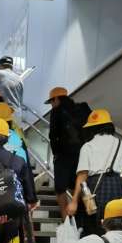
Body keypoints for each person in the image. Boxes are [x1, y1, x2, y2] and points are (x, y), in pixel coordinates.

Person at [67, 109, 122, 236]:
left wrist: (74, 201)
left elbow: (82, 175)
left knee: (95, 227)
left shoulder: (88, 146)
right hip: (118, 187)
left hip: (95, 189)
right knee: (118, 225)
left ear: (92, 128)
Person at [46, 87, 91, 220]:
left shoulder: (56, 111)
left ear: (56, 99)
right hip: (82, 154)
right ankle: (88, 216)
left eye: (51, 101)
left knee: (60, 189)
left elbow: (52, 136)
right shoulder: (83, 108)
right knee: (82, 185)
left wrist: (55, 153)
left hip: (63, 155)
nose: (51, 104)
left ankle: (66, 220)